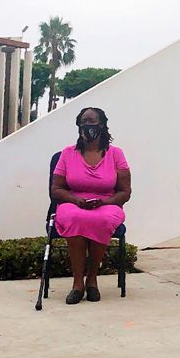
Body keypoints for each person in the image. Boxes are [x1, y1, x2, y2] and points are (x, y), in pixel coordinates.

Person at [51, 107, 131, 305]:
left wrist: (105, 202)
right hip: (73, 203)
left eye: (92, 121)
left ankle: (92, 279)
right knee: (73, 217)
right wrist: (75, 200)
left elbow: (125, 192)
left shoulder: (116, 154)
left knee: (102, 219)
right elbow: (56, 189)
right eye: (83, 122)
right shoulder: (67, 154)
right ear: (78, 126)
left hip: (107, 203)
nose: (88, 126)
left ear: (102, 125)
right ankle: (78, 284)